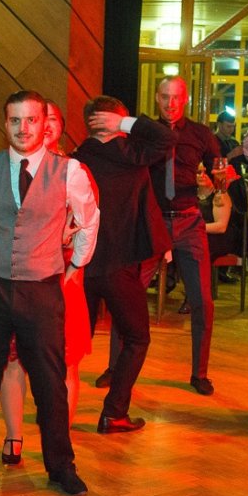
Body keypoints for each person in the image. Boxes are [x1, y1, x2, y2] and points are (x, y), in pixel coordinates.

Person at [0, 91, 98, 496]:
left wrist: (76, 265)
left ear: (45, 124)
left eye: (31, 120)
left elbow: (89, 220)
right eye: (15, 120)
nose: (23, 128)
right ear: (5, 123)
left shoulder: (69, 171)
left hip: (41, 290)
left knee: (50, 383)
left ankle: (61, 467)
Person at [76, 94, 172, 433]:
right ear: (114, 122)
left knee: (70, 348)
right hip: (119, 266)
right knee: (137, 339)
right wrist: (126, 124)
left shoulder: (76, 160)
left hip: (81, 267)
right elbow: (166, 138)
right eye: (120, 121)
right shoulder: (131, 155)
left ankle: (56, 414)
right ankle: (113, 412)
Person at [149, 76, 221, 394]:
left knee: (202, 300)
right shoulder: (144, 132)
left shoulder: (200, 134)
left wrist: (214, 183)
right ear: (157, 98)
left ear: (186, 99)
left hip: (190, 221)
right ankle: (114, 367)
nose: (170, 103)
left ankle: (199, 373)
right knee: (128, 295)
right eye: (165, 96)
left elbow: (220, 173)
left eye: (176, 97)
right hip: (152, 222)